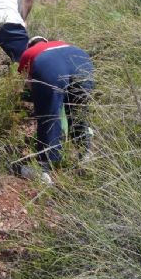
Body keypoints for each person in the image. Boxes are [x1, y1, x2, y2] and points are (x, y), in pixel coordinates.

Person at [17, 36, 94, 182]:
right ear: (46, 42)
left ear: (29, 46)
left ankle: (44, 168)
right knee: (78, 110)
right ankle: (85, 153)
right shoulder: (61, 44)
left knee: (49, 115)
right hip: (81, 59)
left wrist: (44, 102)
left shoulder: (28, 53)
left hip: (49, 65)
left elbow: (30, 85)